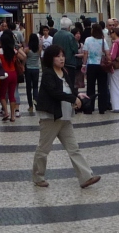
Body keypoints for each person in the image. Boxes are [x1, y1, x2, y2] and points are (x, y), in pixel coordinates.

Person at [33, 44, 100, 189]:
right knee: (44, 149)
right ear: (51, 58)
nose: (61, 58)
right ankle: (38, 177)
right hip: (51, 117)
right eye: (58, 56)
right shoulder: (48, 74)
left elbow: (69, 90)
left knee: (74, 148)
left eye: (63, 55)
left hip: (65, 117)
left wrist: (78, 95)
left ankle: (86, 177)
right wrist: (72, 99)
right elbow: (54, 92)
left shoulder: (64, 72)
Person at [82, 22, 111, 113]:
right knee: (102, 87)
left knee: (90, 87)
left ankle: (89, 107)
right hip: (101, 65)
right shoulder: (103, 40)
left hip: (91, 65)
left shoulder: (88, 40)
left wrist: (84, 64)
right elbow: (107, 53)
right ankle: (102, 108)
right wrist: (109, 63)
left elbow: (85, 53)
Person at [0, 32, 20, 122]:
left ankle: (6, 112)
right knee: (12, 95)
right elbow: (21, 57)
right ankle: (13, 116)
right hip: (13, 74)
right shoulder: (14, 51)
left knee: (2, 95)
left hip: (5, 74)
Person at [53, 17, 80, 87]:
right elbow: (75, 50)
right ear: (68, 27)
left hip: (57, 63)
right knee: (70, 83)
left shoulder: (55, 35)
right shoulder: (70, 35)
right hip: (69, 63)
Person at [24, 32, 42, 115]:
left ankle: (30, 105)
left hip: (28, 69)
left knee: (28, 87)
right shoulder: (39, 49)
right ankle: (35, 99)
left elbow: (24, 58)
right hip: (36, 69)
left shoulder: (27, 50)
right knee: (35, 86)